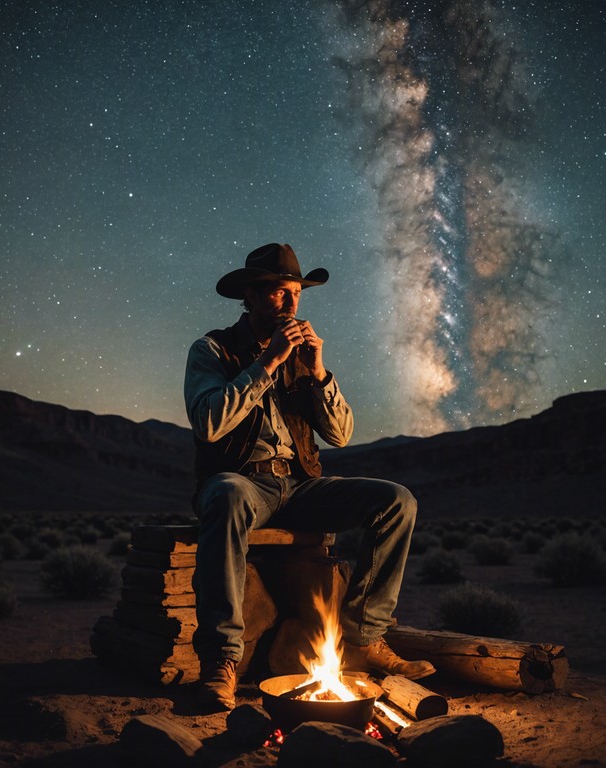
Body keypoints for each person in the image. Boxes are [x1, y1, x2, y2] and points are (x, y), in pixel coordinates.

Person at [183, 242, 435, 711]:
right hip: (243, 481)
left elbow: (339, 435)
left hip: (299, 485)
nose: (292, 304)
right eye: (280, 293)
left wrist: (318, 372)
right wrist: (268, 363)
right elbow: (209, 422)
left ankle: (365, 635)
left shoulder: (304, 357)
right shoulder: (212, 349)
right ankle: (221, 659)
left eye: (297, 293)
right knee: (227, 495)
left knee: (397, 500)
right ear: (252, 297)